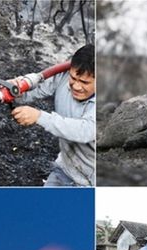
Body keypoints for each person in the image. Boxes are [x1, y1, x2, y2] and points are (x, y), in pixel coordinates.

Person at [11, 44, 95, 186]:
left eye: (84, 82)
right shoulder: (62, 76)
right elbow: (36, 89)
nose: (76, 86)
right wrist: (13, 89)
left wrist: (39, 116)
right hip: (64, 170)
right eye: (73, 78)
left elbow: (86, 130)